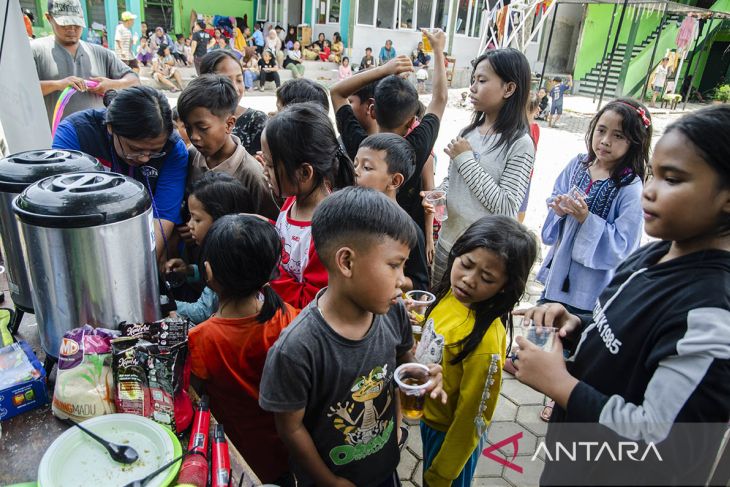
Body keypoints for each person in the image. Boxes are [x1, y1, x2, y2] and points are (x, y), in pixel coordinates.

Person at [512, 105, 730, 486]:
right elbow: (620, 330)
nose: (648, 190)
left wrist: (560, 385)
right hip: (574, 456)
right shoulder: (658, 252)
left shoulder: (711, 315)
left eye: (673, 179)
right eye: (654, 175)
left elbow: (665, 443)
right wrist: (576, 325)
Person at [259, 187, 447, 487]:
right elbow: (290, 428)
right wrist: (329, 481)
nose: (404, 281)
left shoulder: (393, 312)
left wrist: (419, 375)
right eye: (394, 265)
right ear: (346, 262)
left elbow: (403, 358)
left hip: (385, 466)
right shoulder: (296, 349)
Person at [417, 216, 537, 486]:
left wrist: (443, 473)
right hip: (430, 417)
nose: (468, 280)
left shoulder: (485, 344)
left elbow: (472, 419)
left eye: (487, 277)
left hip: (451, 436)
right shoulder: (451, 294)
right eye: (466, 264)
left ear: (505, 285)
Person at [189, 214, 299, 484]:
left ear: (209, 272)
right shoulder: (289, 317)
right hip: (288, 450)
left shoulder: (203, 339)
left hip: (236, 455)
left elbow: (194, 394)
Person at [425, 48, 535, 284]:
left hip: (479, 260)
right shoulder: (469, 132)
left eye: (482, 80)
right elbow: (454, 181)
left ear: (509, 88)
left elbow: (507, 209)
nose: (472, 88)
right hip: (447, 243)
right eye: (473, 80)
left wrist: (465, 160)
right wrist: (439, 193)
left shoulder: (519, 143)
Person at [331, 29, 448, 242]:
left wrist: (383, 69)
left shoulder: (361, 146)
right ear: (413, 121)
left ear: (373, 111)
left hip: (363, 237)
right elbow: (439, 100)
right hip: (404, 240)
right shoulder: (417, 148)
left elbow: (337, 92)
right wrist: (438, 50)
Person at [537, 98, 649, 314]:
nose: (605, 141)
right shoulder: (578, 164)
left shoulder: (630, 187)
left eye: (618, 136)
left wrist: (587, 220)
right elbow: (555, 196)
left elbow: (624, 245)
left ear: (634, 142)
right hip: (557, 275)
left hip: (592, 290)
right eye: (601, 131)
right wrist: (558, 209)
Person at [52, 86, 188, 261]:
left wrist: (142, 268)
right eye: (135, 149)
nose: (145, 159)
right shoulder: (75, 134)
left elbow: (163, 217)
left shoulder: (174, 149)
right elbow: (64, 204)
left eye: (154, 151)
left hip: (143, 237)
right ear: (110, 128)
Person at [259, 102, 355, 308]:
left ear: (304, 173)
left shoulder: (326, 232)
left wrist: (267, 265)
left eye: (269, 164)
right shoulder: (293, 200)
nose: (264, 171)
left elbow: (309, 302)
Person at [177, 74, 278, 220]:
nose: (194, 136)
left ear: (229, 124)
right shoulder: (190, 156)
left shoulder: (252, 173)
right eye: (188, 128)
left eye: (202, 128)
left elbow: (269, 226)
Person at [32, 0, 139, 125]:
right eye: (65, 24)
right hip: (56, 139)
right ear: (48, 18)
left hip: (96, 136)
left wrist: (112, 84)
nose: (72, 29)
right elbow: (18, 91)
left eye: (76, 24)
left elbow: (134, 81)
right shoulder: (35, 51)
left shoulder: (101, 53)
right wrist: (58, 85)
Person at [167, 173, 255, 324]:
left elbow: (203, 311)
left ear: (221, 219)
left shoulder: (225, 259)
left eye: (197, 219)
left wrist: (162, 304)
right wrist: (190, 271)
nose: (189, 225)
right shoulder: (238, 246)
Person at [354, 133, 429, 291]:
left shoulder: (408, 230)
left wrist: (387, 273)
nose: (356, 171)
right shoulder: (350, 213)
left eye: (366, 167)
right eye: (355, 165)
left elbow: (420, 285)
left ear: (395, 181)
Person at [199, 50, 268, 156]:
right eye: (226, 81)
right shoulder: (195, 119)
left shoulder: (256, 120)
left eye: (239, 80)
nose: (235, 88)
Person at [517, 98, 541, 223]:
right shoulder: (534, 128)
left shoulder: (521, 129)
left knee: (520, 208)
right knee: (521, 208)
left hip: (524, 175)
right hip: (525, 174)